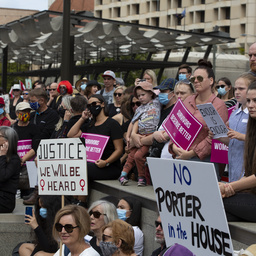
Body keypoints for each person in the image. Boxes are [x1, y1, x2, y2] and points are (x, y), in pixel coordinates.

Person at [168, 59, 228, 179]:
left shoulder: (219, 105)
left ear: (211, 81)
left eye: (199, 78)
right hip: (180, 158)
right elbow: (175, 126)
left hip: (204, 162)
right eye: (193, 79)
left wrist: (191, 153)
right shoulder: (187, 100)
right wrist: (173, 146)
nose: (195, 81)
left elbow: (215, 137)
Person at [219, 81, 256, 222]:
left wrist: (230, 187)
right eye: (249, 101)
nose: (250, 105)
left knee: (213, 201)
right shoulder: (252, 129)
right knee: (217, 216)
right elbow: (249, 174)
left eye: (255, 101)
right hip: (250, 196)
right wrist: (227, 188)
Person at [68, 94, 123, 181]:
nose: (91, 107)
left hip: (109, 166)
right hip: (91, 163)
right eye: (89, 106)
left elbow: (119, 149)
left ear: (102, 104)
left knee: (83, 170)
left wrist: (106, 162)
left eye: (94, 104)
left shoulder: (112, 124)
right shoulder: (89, 125)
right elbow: (71, 135)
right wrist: (82, 118)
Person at [119, 81, 160, 186]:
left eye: (143, 95)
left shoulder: (157, 102)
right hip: (140, 134)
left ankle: (141, 177)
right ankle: (123, 175)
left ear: (151, 93)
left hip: (150, 135)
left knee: (138, 155)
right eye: (138, 95)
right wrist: (129, 136)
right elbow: (133, 122)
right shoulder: (140, 108)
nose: (140, 98)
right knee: (131, 156)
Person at [216, 73, 256, 182]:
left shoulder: (253, 114)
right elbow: (232, 142)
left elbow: (249, 140)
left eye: (241, 88)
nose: (237, 91)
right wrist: (219, 136)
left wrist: (241, 136)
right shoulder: (234, 114)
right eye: (236, 88)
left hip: (249, 173)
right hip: (233, 170)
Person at [23, 89, 59, 205]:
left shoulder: (52, 115)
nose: (30, 103)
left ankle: (38, 193)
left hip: (45, 149)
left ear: (42, 100)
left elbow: (45, 135)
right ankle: (33, 190)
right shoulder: (32, 115)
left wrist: (34, 151)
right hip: (31, 149)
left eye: (32, 101)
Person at [13, 102, 40, 197]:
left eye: (28, 111)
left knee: (29, 193)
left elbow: (36, 147)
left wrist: (23, 159)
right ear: (17, 113)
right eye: (23, 111)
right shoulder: (12, 129)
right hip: (15, 166)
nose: (26, 114)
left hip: (30, 166)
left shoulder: (34, 128)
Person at [0, 126, 21, 213]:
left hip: (5, 201)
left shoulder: (14, 159)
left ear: (6, 141)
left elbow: (2, 176)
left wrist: (2, 156)